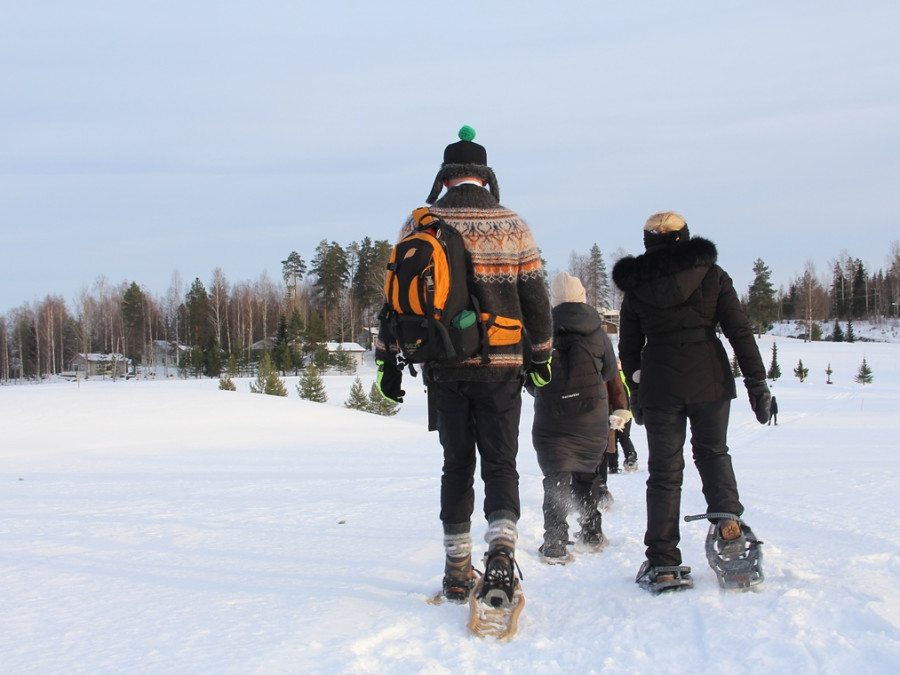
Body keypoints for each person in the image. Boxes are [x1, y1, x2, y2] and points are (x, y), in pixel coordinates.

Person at [375, 126, 553, 606]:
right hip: (502, 365)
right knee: (501, 463)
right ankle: (500, 553)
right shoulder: (512, 222)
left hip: (443, 366)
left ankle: (456, 569)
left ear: (446, 176)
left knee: (456, 464)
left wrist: (387, 362)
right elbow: (536, 300)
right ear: (484, 174)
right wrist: (541, 358)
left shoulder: (419, 224)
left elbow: (395, 301)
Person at [611, 211, 771, 592]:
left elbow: (629, 349)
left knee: (665, 471)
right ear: (685, 236)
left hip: (661, 380)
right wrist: (756, 382)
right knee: (714, 453)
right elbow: (739, 331)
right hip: (710, 378)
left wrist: (636, 390)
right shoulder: (712, 275)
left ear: (648, 242)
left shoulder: (636, 287)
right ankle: (731, 535)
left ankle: (663, 562)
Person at [529, 272, 624, 564]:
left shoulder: (540, 331)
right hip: (591, 416)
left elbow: (531, 381)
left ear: (553, 300)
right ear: (582, 296)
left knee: (556, 477)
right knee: (587, 475)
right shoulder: (597, 330)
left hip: (552, 418)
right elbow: (610, 372)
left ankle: (555, 543)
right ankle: (591, 532)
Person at [607, 361, 639, 474]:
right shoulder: (618, 377)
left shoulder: (620, 377)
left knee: (618, 437)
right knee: (615, 438)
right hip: (618, 412)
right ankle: (614, 464)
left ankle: (627, 459)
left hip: (621, 412)